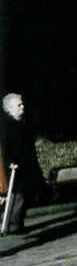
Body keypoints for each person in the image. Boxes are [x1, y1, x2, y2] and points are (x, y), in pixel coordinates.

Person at [0, 93, 44, 234]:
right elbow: (6, 146)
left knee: (26, 194)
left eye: (22, 104)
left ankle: (16, 223)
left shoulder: (23, 122)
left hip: (27, 164)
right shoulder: (8, 125)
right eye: (19, 105)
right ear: (11, 108)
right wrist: (10, 162)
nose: (22, 106)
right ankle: (12, 225)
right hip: (16, 166)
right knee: (18, 195)